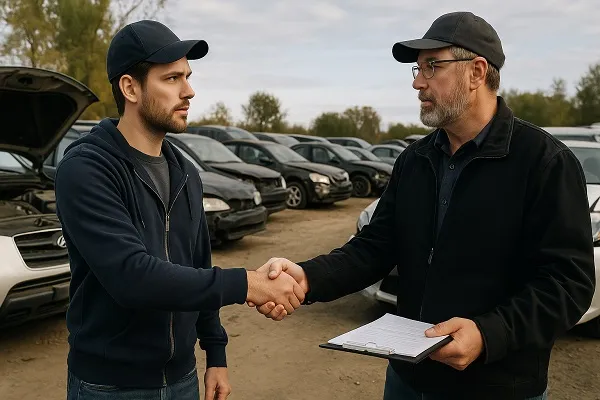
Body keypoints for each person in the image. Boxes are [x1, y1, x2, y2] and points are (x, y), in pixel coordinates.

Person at [253, 11, 596, 400]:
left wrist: (487, 334)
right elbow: (375, 247)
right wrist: (306, 277)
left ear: (477, 72)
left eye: (432, 66)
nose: (418, 82)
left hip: (498, 386)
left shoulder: (544, 162)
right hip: (408, 379)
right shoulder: (415, 160)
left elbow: (568, 283)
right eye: (417, 69)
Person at [55, 20, 304, 400]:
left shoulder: (184, 170)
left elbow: (198, 264)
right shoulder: (87, 169)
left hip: (183, 377)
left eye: (187, 76)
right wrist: (248, 284)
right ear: (130, 87)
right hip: (111, 385)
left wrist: (215, 352)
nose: (189, 91)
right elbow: (132, 277)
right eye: (172, 79)